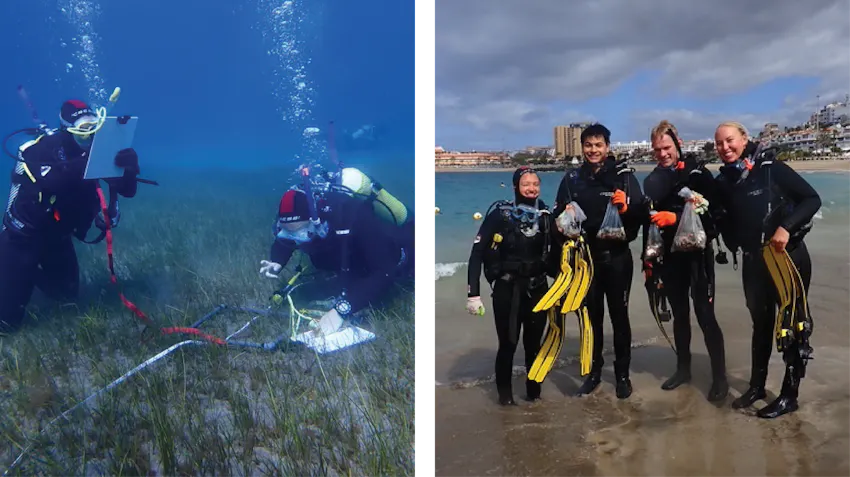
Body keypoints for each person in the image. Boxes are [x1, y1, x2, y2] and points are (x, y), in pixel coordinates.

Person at [0, 99, 141, 333]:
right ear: (67, 130)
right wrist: (92, 160)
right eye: (83, 132)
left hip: (57, 239)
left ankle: (27, 275)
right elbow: (54, 181)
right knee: (6, 324)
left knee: (65, 295)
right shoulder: (41, 149)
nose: (90, 138)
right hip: (22, 240)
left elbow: (127, 190)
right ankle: (14, 271)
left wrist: (129, 169)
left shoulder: (96, 152)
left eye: (94, 130)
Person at [712, 121, 821, 418]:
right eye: (719, 143)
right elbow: (721, 218)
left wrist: (786, 227)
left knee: (792, 325)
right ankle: (757, 386)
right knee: (760, 324)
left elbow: (812, 199)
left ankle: (789, 395)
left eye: (730, 140)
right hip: (753, 262)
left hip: (787, 258)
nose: (724, 147)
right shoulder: (725, 181)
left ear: (744, 138)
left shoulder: (771, 169)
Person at [259, 167, 415, 335]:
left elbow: (384, 272)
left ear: (317, 222)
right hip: (348, 249)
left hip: (391, 243)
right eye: (286, 232)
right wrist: (277, 260)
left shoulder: (352, 214)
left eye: (301, 233)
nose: (295, 240)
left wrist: (342, 310)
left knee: (405, 266)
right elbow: (285, 239)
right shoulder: (293, 220)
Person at [552, 123, 645, 399]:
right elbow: (557, 219)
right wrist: (563, 216)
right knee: (591, 319)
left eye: (598, 145)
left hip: (617, 258)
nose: (593, 150)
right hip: (585, 261)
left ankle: (622, 375)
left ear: (607, 147)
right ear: (582, 147)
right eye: (588, 145)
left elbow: (641, 214)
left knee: (619, 316)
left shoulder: (623, 177)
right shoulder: (572, 179)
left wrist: (627, 207)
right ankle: (593, 372)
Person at [642, 120, 728, 402]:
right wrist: (648, 262)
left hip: (698, 258)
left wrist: (676, 218)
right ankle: (683, 369)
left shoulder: (698, 174)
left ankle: (720, 377)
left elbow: (717, 214)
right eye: (657, 150)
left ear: (677, 143)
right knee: (680, 315)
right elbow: (648, 222)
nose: (662, 154)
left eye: (666, 147)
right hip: (670, 258)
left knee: (705, 314)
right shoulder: (653, 180)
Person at [466, 166, 556, 406]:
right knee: (508, 345)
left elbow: (559, 255)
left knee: (534, 347)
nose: (531, 188)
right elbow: (477, 253)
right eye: (526, 184)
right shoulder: (500, 215)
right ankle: (505, 400)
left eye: (535, 184)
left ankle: (534, 396)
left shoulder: (546, 216)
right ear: (515, 186)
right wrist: (473, 294)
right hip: (507, 290)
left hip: (538, 289)